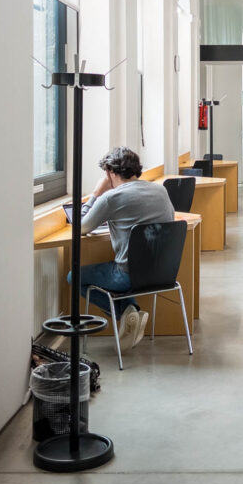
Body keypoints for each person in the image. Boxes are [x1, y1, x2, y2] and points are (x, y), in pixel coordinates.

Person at [67, 147, 175, 352]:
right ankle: (130, 312)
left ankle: (128, 311)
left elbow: (80, 227)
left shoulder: (111, 198)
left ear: (110, 173)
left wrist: (95, 194)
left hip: (128, 277)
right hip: (164, 272)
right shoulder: (160, 190)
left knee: (74, 277)